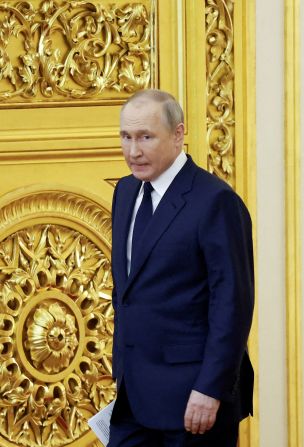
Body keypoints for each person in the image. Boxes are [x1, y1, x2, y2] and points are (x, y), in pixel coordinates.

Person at [108, 89, 254, 447]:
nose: (133, 151)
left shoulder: (215, 201)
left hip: (194, 400)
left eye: (145, 137)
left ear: (178, 134)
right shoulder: (125, 192)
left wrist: (210, 388)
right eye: (126, 137)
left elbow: (232, 304)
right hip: (134, 396)